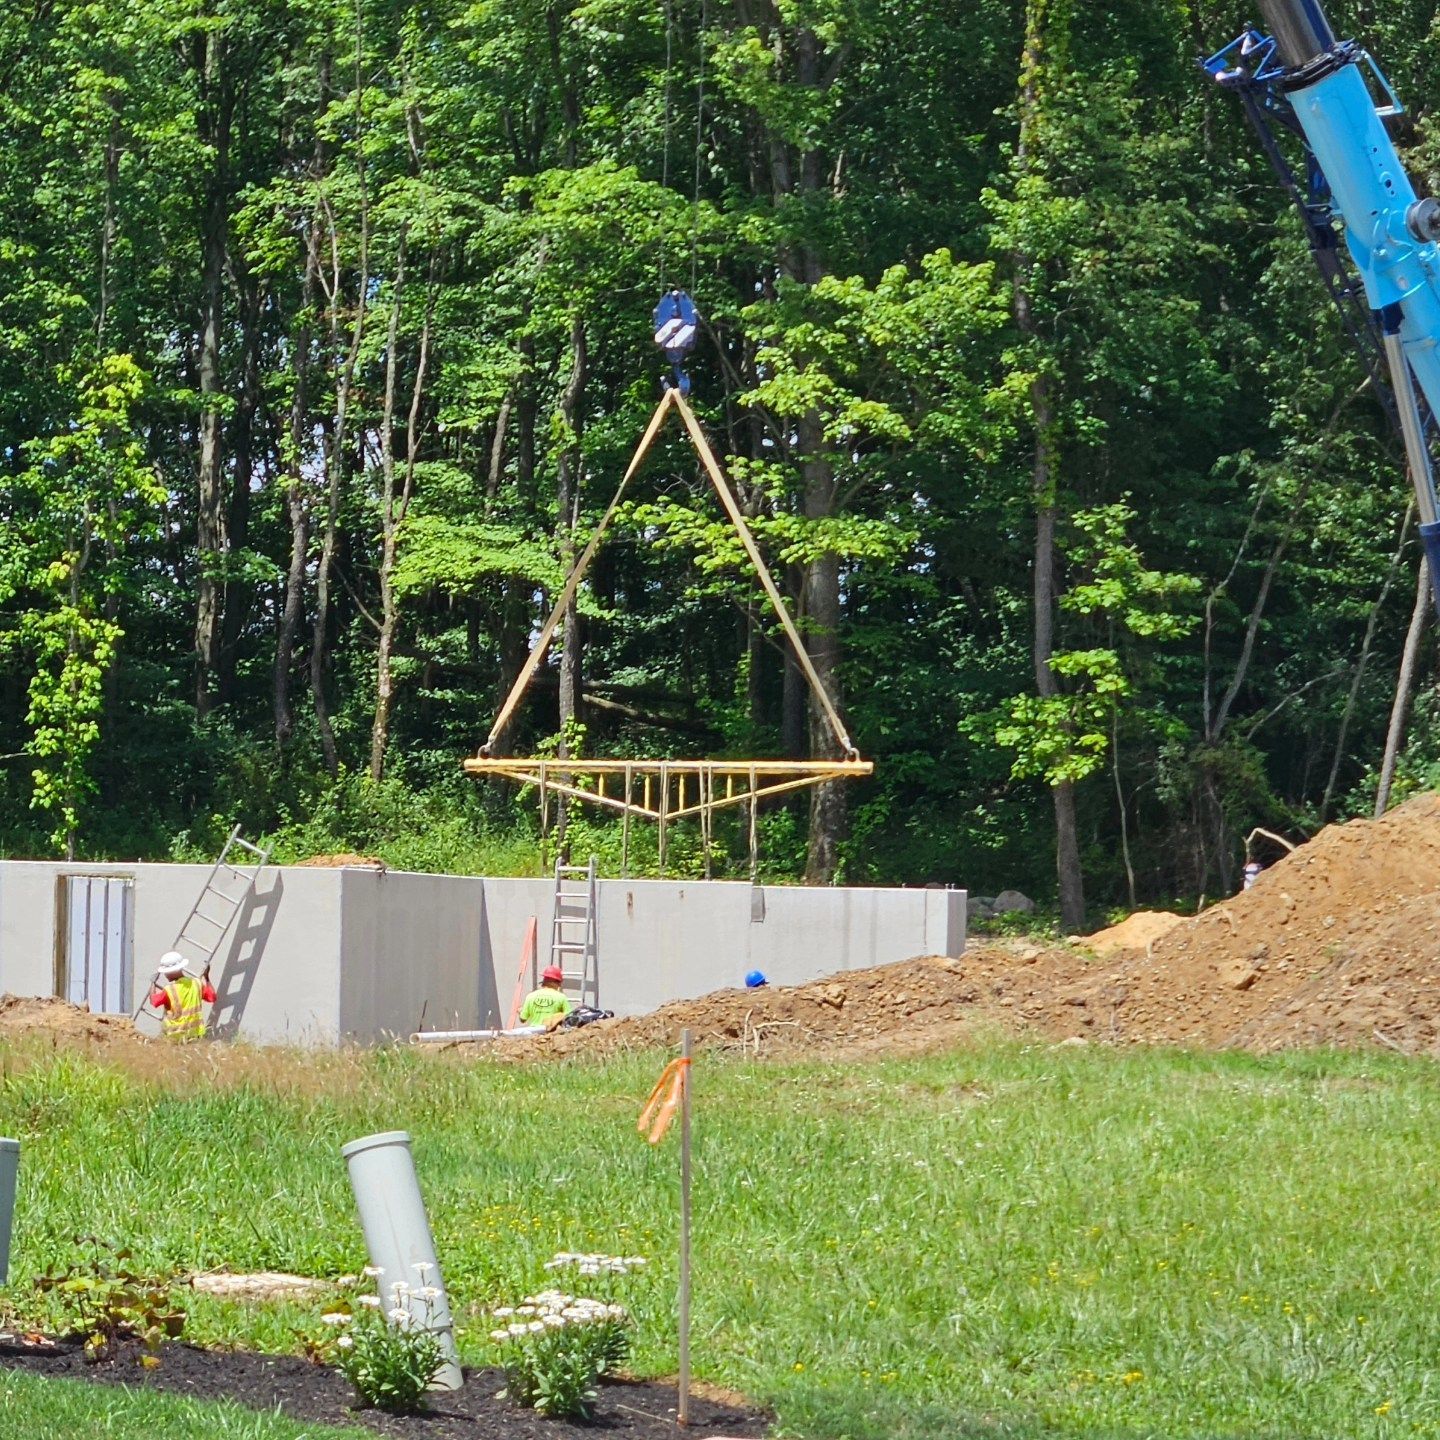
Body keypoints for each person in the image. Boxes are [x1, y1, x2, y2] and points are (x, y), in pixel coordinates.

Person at [150, 952, 216, 1041]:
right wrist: (206, 977)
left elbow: (153, 1002)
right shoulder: (197, 983)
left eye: (166, 972)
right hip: (196, 1036)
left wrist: (153, 983)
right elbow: (212, 997)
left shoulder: (169, 990)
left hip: (175, 1038)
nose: (165, 975)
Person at [519, 965, 572, 1029]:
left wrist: (520, 1011)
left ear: (544, 980)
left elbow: (523, 1019)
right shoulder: (561, 997)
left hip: (534, 1035)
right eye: (559, 983)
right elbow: (569, 1018)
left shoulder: (530, 996)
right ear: (556, 982)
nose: (559, 985)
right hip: (551, 1033)